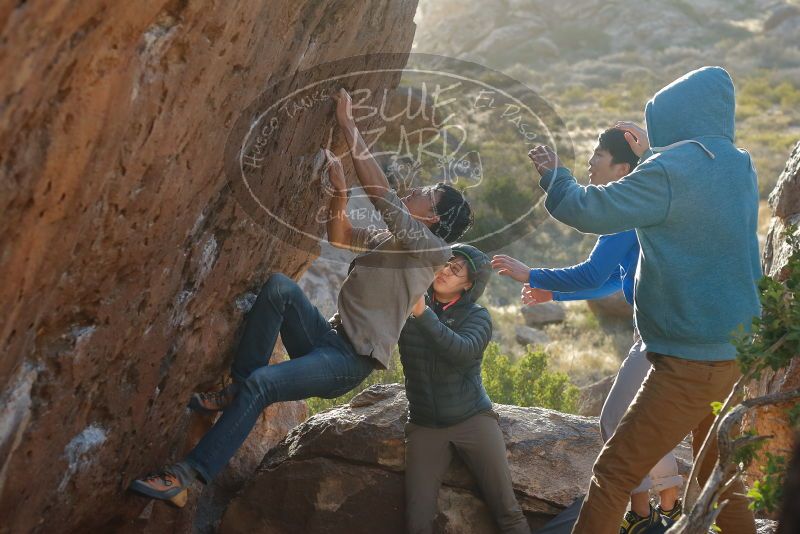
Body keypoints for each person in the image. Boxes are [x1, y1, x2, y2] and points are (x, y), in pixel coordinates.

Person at [128, 88, 474, 506]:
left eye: (425, 192)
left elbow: (383, 198)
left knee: (263, 385)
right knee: (279, 288)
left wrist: (349, 126)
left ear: (432, 216)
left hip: (349, 362)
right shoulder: (395, 241)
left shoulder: (432, 251)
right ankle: (238, 391)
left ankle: (188, 476)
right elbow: (340, 236)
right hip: (326, 338)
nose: (414, 189)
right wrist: (340, 193)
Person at [527, 66, 761, 534]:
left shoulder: (667, 171)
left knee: (614, 472)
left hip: (689, 361)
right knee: (721, 480)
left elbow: (587, 209)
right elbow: (690, 194)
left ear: (671, 116)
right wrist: (650, 152)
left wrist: (555, 176)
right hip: (738, 353)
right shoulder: (738, 163)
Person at [492, 127, 684, 533]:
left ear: (622, 167)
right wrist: (554, 296)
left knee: (616, 418)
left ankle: (646, 514)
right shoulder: (641, 209)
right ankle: (666, 503)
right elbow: (614, 279)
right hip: (667, 330)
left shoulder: (624, 210)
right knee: (644, 417)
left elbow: (592, 272)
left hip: (655, 336)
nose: (592, 163)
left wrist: (531, 273)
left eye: (599, 155)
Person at [401, 244, 530, 534]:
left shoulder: (477, 316)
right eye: (445, 263)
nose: (445, 270)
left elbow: (462, 351)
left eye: (456, 269)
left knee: (507, 512)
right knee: (416, 522)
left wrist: (423, 314)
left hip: (472, 419)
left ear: (468, 284)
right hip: (424, 424)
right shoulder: (409, 301)